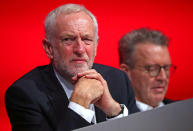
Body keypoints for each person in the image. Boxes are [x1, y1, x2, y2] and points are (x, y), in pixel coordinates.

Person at [5, 3, 139, 131]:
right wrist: (79, 105)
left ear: (96, 45)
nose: (80, 49)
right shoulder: (24, 94)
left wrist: (114, 112)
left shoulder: (118, 79)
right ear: (49, 48)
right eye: (68, 39)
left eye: (87, 39)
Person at [118, 28, 176, 112]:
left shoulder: (186, 113)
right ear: (126, 71)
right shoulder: (114, 116)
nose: (162, 77)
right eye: (153, 69)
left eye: (166, 68)